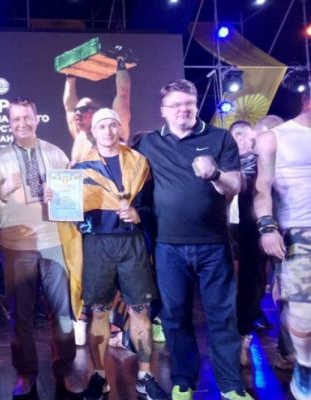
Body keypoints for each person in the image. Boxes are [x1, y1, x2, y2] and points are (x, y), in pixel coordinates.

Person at [132, 79, 252, 400]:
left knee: (222, 317)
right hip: (169, 247)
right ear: (163, 110)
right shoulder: (148, 143)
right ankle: (183, 380)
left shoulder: (219, 138)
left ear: (196, 104)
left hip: (214, 244)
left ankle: (231, 386)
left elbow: (235, 185)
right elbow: (122, 170)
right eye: (175, 105)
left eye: (189, 103)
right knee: (175, 317)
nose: (183, 110)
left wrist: (215, 173)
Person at [0, 98, 81, 399]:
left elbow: (73, 197)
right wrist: (2, 191)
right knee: (20, 315)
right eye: (15, 119)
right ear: (9, 123)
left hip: (54, 241)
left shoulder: (55, 153)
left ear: (37, 119)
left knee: (62, 313)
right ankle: (26, 374)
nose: (21, 123)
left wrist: (60, 194)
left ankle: (64, 371)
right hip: (16, 245)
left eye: (27, 117)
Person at [68, 108, 167, 400]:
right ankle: (99, 377)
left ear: (119, 127)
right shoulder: (80, 167)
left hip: (131, 244)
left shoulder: (139, 162)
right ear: (93, 132)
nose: (108, 131)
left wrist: (140, 214)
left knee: (140, 310)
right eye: (102, 126)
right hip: (97, 244)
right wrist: (55, 197)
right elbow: (69, 212)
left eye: (113, 125)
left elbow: (153, 204)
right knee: (98, 311)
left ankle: (145, 376)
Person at [254, 92, 311, 400]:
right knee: (303, 311)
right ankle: (305, 366)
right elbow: (262, 186)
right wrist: (267, 226)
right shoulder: (275, 138)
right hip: (300, 231)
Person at [227, 120, 266, 367]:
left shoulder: (262, 163)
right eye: (237, 134)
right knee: (226, 283)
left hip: (252, 229)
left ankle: (244, 337)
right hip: (225, 227)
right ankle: (230, 339)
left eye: (245, 134)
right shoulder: (223, 161)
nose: (242, 139)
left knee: (252, 283)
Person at [63, 55, 131, 163]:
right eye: (77, 110)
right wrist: (70, 75)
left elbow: (123, 94)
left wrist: (121, 61)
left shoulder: (114, 132)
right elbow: (69, 107)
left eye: (84, 109)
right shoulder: (79, 134)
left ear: (97, 113)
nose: (77, 113)